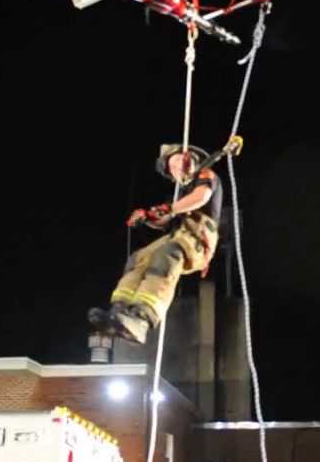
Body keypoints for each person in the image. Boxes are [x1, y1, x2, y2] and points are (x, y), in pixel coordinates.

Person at [89, 143, 223, 344]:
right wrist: (147, 217)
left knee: (167, 255)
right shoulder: (181, 196)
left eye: (177, 161)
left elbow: (201, 197)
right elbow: (166, 221)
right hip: (177, 235)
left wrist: (169, 209)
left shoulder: (205, 175)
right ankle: (120, 310)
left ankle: (143, 318)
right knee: (138, 258)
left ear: (189, 157)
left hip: (197, 237)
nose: (176, 168)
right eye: (171, 168)